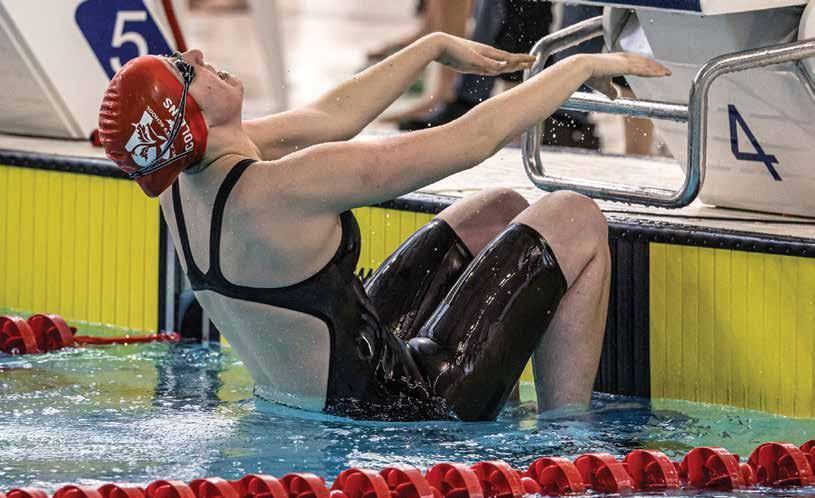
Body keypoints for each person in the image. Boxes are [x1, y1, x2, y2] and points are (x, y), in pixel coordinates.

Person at [97, 33, 670, 421]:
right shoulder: (283, 188)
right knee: (574, 215)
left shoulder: (182, 185)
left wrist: (432, 48)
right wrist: (579, 68)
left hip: (325, 395)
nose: (196, 53)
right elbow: (469, 141)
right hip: (409, 413)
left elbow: (330, 117)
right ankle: (566, 443)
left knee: (498, 210)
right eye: (184, 70)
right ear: (190, 120)